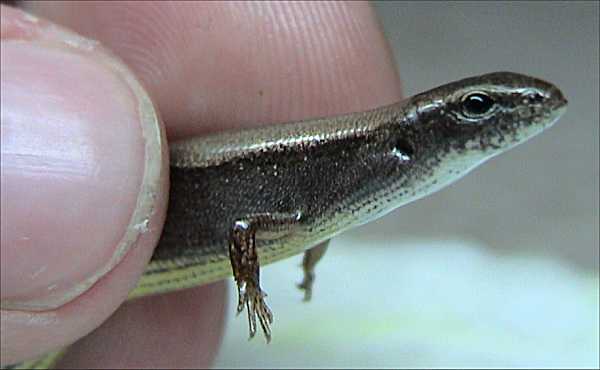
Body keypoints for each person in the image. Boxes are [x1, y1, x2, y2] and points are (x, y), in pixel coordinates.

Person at [0, 2, 403, 367]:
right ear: (404, 146)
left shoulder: (345, 195)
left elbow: (316, 227)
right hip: (146, 229)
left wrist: (309, 265)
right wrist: (250, 286)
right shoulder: (340, 183)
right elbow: (242, 228)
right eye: (471, 108)